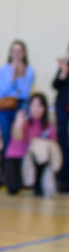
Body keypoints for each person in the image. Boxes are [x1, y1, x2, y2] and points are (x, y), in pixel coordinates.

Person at [4, 92, 60, 197]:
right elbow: (17, 137)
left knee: (41, 149)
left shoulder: (48, 125)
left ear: (44, 108)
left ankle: (38, 183)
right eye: (33, 105)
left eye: (39, 105)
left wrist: (38, 142)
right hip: (16, 158)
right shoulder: (24, 121)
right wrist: (18, 124)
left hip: (35, 160)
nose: (36, 108)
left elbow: (53, 145)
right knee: (13, 188)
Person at [0, 40, 34, 146]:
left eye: (19, 51)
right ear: (10, 53)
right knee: (6, 137)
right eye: (14, 51)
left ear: (24, 54)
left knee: (21, 138)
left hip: (22, 106)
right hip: (5, 105)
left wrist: (20, 77)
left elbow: (25, 92)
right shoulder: (2, 70)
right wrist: (13, 77)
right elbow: (1, 92)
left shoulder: (29, 70)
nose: (16, 54)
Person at [53, 45, 69, 192]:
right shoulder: (65, 66)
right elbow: (55, 85)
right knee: (63, 143)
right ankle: (62, 180)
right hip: (63, 108)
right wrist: (63, 73)